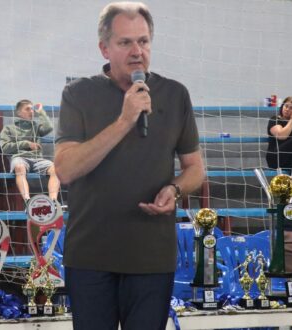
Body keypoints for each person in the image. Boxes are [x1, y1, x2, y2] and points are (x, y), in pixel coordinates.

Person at [54, 3, 205, 329]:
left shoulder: (175, 94)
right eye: (125, 43)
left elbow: (195, 168)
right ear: (104, 48)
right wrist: (125, 120)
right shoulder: (78, 94)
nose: (137, 51)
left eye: (144, 41)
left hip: (151, 256)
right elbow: (65, 169)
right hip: (91, 256)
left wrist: (175, 189)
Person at [0, 100, 60, 202]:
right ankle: (28, 201)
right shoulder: (8, 128)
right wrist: (27, 144)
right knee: (19, 167)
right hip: (19, 158)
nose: (31, 111)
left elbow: (48, 127)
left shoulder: (35, 127)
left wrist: (41, 112)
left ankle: (53, 202)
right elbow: (5, 147)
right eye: (27, 109)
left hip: (37, 159)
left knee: (56, 169)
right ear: (19, 113)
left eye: (32, 109)